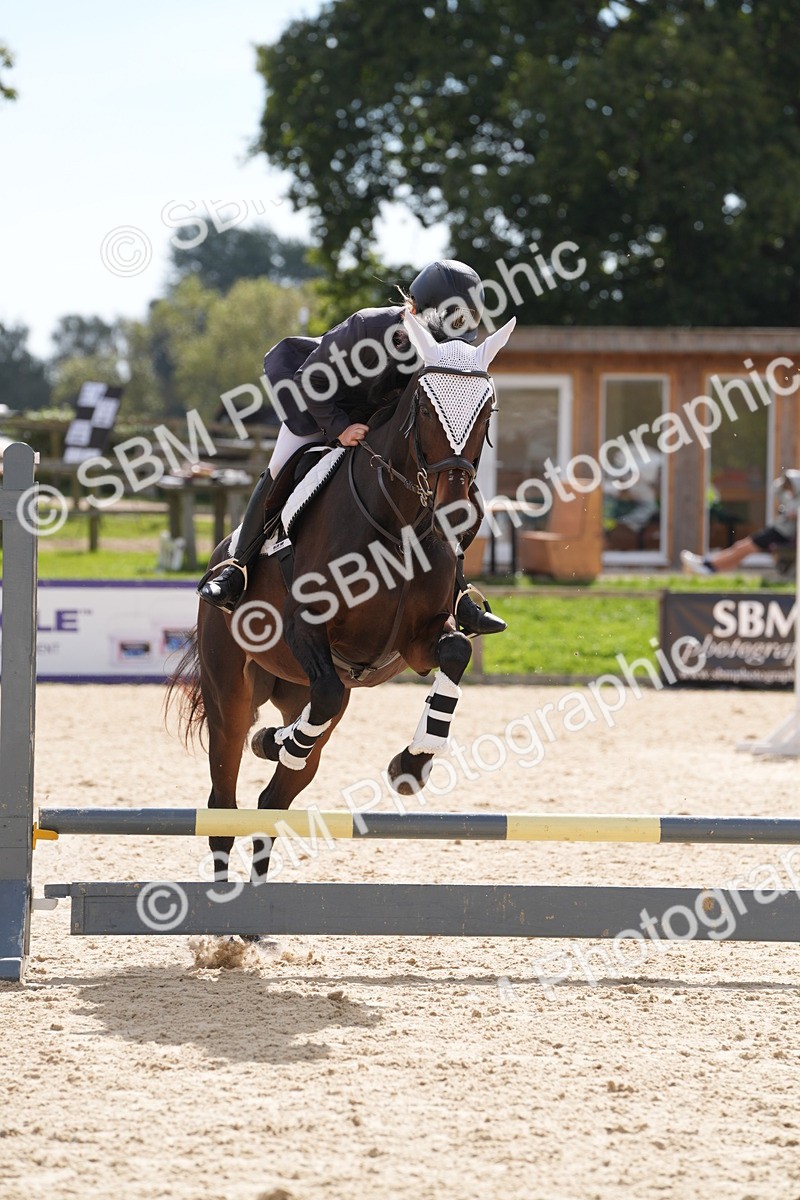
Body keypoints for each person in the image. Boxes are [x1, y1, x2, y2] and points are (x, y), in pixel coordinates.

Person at [198, 259, 506, 635]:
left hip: (379, 424)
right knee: (281, 471)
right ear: (413, 311)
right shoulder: (367, 327)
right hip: (319, 408)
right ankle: (237, 569)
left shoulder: (445, 348)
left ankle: (458, 596)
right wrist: (339, 428)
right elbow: (310, 380)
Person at [681, 470, 800, 575]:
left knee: (743, 548)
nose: (788, 490)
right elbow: (775, 489)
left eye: (790, 486)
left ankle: (709, 566)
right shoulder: (792, 498)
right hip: (777, 531)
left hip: (781, 534)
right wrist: (783, 482)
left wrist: (794, 515)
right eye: (787, 487)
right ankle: (709, 565)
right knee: (742, 547)